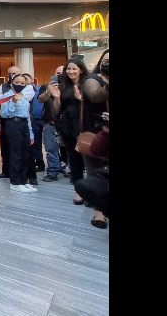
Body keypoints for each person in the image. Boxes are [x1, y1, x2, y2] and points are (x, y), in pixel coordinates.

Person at [50, 58, 90, 206]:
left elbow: (95, 105)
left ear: (81, 70)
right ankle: (79, 191)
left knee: (90, 161)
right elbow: (56, 109)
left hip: (86, 127)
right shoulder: (62, 85)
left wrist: (81, 99)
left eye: (74, 69)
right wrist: (57, 97)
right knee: (74, 161)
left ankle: (93, 193)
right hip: (67, 127)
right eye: (68, 69)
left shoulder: (88, 83)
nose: (71, 71)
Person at [80, 49, 109, 228]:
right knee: (96, 171)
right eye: (106, 60)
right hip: (96, 132)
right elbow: (95, 96)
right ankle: (99, 212)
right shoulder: (92, 79)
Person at [0, 74, 36, 193]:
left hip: (24, 125)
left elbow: (27, 116)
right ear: (12, 82)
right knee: (15, 154)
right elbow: (4, 114)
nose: (20, 85)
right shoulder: (6, 96)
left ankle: (23, 180)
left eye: (23, 83)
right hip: (13, 124)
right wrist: (12, 102)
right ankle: (15, 181)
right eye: (17, 82)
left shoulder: (23, 97)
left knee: (25, 154)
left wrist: (31, 133)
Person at [38, 66, 65, 182]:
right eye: (57, 73)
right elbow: (40, 100)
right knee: (51, 150)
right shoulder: (46, 86)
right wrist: (49, 91)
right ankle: (52, 171)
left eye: (62, 73)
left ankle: (69, 170)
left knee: (69, 149)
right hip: (50, 123)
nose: (60, 75)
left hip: (66, 124)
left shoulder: (70, 87)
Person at [0, 65, 21, 179]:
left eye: (14, 73)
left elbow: (25, 97)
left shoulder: (24, 85)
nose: (12, 75)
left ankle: (17, 172)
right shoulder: (4, 86)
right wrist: (10, 96)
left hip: (19, 121)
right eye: (10, 73)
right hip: (6, 119)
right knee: (4, 146)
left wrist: (6, 97)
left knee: (17, 148)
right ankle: (6, 171)